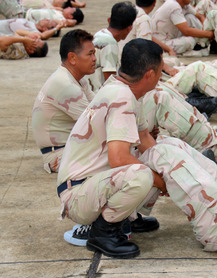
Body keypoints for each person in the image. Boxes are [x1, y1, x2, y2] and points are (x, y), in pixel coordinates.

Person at [57, 39, 165, 258]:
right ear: (149, 75)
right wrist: (160, 181)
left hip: (92, 184)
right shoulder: (121, 97)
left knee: (158, 159)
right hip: (78, 194)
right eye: (161, 70)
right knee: (142, 175)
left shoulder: (127, 90)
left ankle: (127, 217)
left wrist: (168, 172)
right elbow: (118, 159)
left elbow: (144, 138)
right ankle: (104, 232)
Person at [31, 29, 96, 173]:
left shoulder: (78, 80)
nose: (94, 59)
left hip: (71, 149)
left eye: (94, 53)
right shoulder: (66, 85)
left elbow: (99, 107)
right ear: (72, 58)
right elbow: (96, 124)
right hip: (58, 155)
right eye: (90, 54)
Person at [86, 1, 137, 93]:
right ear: (130, 28)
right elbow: (110, 79)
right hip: (96, 93)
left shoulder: (100, 34)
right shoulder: (110, 43)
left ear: (109, 20)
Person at [119, 0, 179, 76]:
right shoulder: (144, 19)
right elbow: (145, 51)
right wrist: (166, 68)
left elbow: (149, 37)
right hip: (132, 64)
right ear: (154, 3)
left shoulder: (129, 11)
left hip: (122, 57)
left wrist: (168, 49)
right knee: (174, 61)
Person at [0, 18, 64, 40]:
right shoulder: (31, 23)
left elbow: (43, 36)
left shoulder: (34, 32)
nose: (47, 19)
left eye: (48, 21)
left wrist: (56, 28)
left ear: (45, 29)